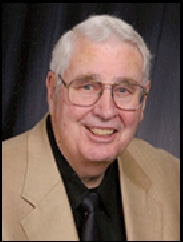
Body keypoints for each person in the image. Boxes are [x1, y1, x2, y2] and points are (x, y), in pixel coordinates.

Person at [2, 15, 180, 241]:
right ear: (51, 90)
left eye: (124, 90)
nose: (106, 111)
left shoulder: (173, 179)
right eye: (87, 86)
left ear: (143, 100)